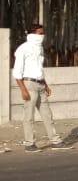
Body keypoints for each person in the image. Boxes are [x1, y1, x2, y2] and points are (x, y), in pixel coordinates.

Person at [11, 24, 66, 152]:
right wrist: (23, 89)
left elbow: (39, 68)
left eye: (42, 33)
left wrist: (45, 84)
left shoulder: (39, 48)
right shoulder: (23, 49)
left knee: (47, 114)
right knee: (29, 116)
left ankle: (55, 141)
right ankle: (29, 144)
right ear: (32, 34)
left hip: (40, 84)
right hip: (29, 84)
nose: (42, 36)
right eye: (39, 33)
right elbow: (17, 71)